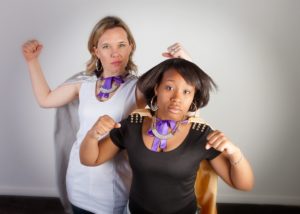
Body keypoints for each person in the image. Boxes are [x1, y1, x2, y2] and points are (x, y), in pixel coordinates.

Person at [22, 16, 191, 214]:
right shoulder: (83, 83)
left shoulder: (138, 88)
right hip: (78, 181)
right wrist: (32, 61)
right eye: (106, 46)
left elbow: (180, 107)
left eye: (121, 45)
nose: (115, 53)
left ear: (130, 47)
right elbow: (46, 99)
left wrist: (186, 64)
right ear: (95, 51)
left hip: (115, 188)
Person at [80, 58, 254, 214]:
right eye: (169, 87)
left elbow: (243, 184)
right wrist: (92, 135)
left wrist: (235, 153)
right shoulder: (133, 125)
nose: (177, 98)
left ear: (193, 97)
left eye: (186, 92)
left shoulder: (201, 135)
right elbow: (91, 159)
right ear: (157, 88)